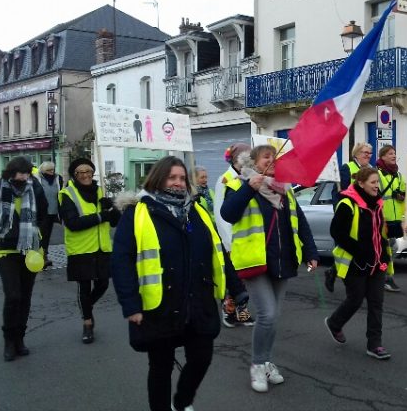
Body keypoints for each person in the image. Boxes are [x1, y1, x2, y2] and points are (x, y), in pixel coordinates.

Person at [110, 156, 226, 411]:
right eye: (172, 177)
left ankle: (182, 401)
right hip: (159, 305)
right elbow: (122, 260)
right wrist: (131, 304)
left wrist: (234, 291)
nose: (178, 183)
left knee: (202, 358)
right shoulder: (137, 212)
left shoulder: (196, 211)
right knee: (160, 368)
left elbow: (217, 251)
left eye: (182, 178)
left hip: (197, 300)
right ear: (158, 179)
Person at [221, 144, 319, 393]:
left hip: (282, 259)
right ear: (254, 161)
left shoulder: (285, 189)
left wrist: (310, 252)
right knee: (267, 314)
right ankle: (256, 364)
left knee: (274, 317)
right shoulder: (239, 184)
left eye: (275, 158)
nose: (272, 161)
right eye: (267, 157)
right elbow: (227, 214)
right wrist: (248, 188)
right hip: (255, 261)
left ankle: (265, 361)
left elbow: (301, 222)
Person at [0, 157, 48, 361]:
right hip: (5, 250)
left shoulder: (35, 188)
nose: (24, 177)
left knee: (25, 297)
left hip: (30, 249)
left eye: (27, 173)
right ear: (11, 173)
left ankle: (20, 338)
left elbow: (45, 215)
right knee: (13, 296)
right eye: (21, 173)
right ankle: (9, 340)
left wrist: (39, 239)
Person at [324, 167, 393, 360]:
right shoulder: (347, 203)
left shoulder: (378, 204)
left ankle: (375, 344)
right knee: (355, 299)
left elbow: (381, 231)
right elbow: (337, 233)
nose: (376, 186)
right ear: (361, 183)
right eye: (373, 182)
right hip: (356, 263)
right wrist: (360, 252)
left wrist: (397, 229)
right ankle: (334, 323)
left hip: (378, 262)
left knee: (376, 303)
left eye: (377, 182)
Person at [59, 158, 120, 344]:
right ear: (74, 175)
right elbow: (73, 223)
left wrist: (113, 208)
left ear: (93, 172)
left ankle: (87, 308)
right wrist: (102, 215)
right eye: (80, 172)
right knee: (84, 287)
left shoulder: (102, 191)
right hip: (81, 248)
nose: (85, 175)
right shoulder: (66, 193)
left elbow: (114, 222)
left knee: (103, 284)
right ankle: (87, 324)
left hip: (102, 247)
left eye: (88, 171)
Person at [214, 143, 255, 328]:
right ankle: (229, 311)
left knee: (244, 279)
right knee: (235, 278)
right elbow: (220, 212)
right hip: (231, 239)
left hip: (245, 238)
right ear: (237, 159)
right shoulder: (225, 179)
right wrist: (228, 240)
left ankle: (242, 313)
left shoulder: (248, 177)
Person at [326, 142, 374, 292]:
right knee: (345, 249)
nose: (367, 155)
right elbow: (338, 193)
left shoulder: (373, 170)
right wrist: (342, 212)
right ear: (356, 154)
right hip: (350, 216)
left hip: (365, 218)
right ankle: (336, 273)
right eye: (364, 152)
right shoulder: (347, 168)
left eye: (369, 153)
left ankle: (359, 281)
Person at [376, 145, 407, 292]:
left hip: (394, 219)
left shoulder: (399, 175)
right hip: (382, 219)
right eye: (390, 153)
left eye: (394, 153)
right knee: (387, 250)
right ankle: (385, 277)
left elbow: (403, 195)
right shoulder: (377, 174)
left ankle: (380, 274)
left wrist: (401, 195)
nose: (393, 155)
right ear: (382, 156)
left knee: (391, 249)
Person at [37, 161, 63, 268]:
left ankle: (45, 255)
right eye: (48, 170)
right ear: (43, 170)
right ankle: (40, 257)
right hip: (42, 213)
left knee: (47, 235)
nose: (51, 172)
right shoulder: (38, 179)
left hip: (53, 211)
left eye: (52, 170)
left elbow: (60, 193)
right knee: (41, 235)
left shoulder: (58, 179)